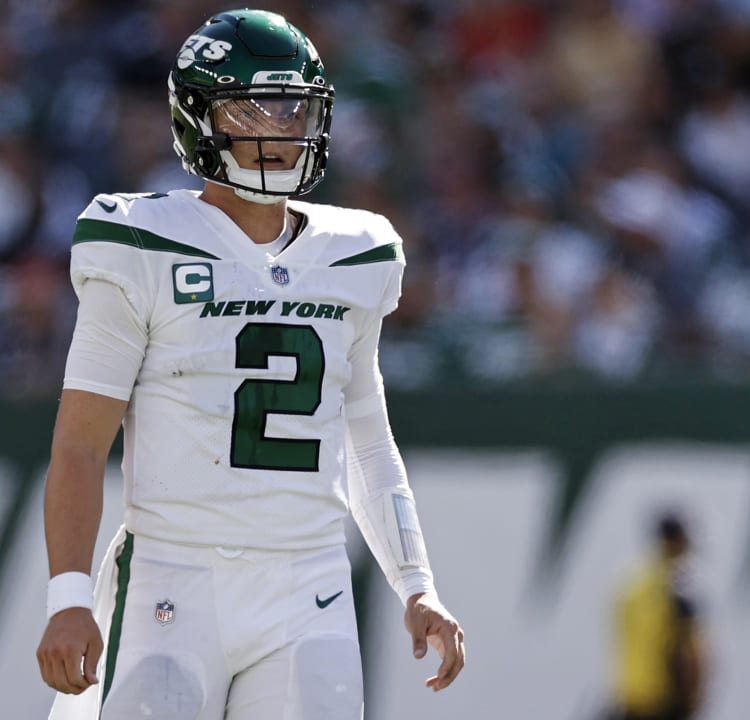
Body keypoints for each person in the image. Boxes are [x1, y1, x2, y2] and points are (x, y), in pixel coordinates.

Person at [35, 9, 465, 720]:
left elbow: (366, 438)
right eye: (251, 106)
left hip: (310, 581)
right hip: (172, 576)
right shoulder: (142, 243)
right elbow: (81, 443)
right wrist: (68, 597)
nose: (279, 127)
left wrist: (416, 583)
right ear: (198, 120)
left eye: (293, 106)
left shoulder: (357, 254)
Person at [608, 510, 707, 720]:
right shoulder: (675, 589)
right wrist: (691, 705)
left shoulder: (628, 585)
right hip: (664, 704)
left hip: (628, 701)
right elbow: (690, 657)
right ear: (676, 542)